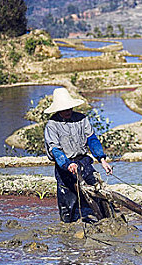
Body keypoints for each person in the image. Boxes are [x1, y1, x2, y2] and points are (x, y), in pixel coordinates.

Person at [44, 87, 113, 223]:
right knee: (68, 204)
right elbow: (55, 150)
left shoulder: (81, 119)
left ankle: (106, 220)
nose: (68, 111)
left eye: (69, 108)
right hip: (65, 166)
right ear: (58, 109)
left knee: (98, 193)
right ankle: (67, 227)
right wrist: (68, 164)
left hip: (83, 162)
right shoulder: (52, 125)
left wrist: (103, 160)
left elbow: (92, 139)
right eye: (64, 109)